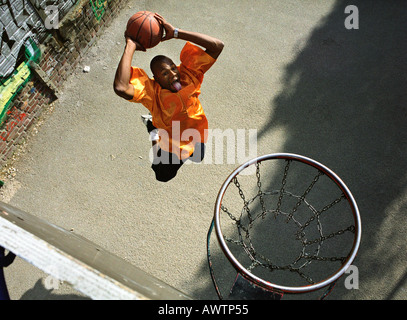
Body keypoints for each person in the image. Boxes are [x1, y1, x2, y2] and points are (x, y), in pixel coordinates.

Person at [113, 13, 224, 182]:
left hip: (197, 134)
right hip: (171, 145)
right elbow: (121, 87)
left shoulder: (188, 74)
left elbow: (217, 46)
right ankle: (153, 130)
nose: (173, 74)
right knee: (163, 175)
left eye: (173, 68)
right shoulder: (152, 93)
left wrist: (177, 33)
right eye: (164, 73)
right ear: (155, 79)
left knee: (197, 157)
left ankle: (155, 127)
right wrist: (130, 45)